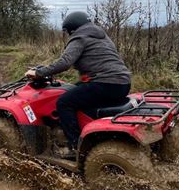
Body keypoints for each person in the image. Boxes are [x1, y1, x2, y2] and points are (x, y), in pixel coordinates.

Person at [24, 11, 131, 158]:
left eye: (68, 32)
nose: (68, 35)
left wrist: (39, 73)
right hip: (123, 84)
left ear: (72, 29)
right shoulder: (101, 36)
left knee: (63, 102)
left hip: (105, 83)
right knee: (75, 89)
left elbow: (65, 62)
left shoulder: (79, 37)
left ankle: (74, 146)